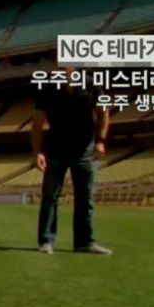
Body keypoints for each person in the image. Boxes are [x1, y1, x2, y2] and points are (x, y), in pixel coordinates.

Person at [32, 64, 114, 255]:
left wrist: (100, 141)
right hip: (55, 150)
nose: (64, 69)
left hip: (85, 151)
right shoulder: (47, 90)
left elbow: (104, 112)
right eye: (59, 65)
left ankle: (84, 242)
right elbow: (37, 124)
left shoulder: (92, 84)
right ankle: (46, 241)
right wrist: (38, 152)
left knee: (85, 198)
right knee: (50, 197)